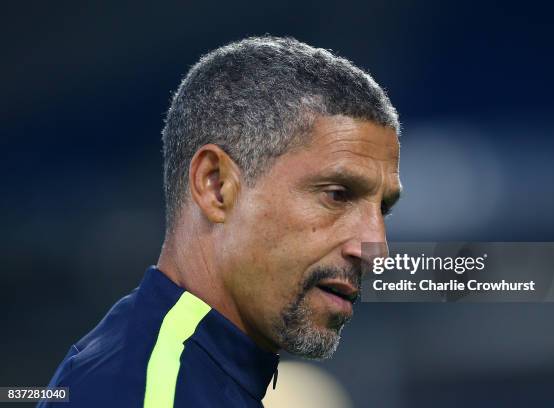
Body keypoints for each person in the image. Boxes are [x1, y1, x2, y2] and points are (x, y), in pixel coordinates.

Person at [39, 36, 402, 407]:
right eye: (337, 195)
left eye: (383, 209)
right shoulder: (150, 392)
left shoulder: (180, 373)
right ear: (215, 186)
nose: (376, 248)